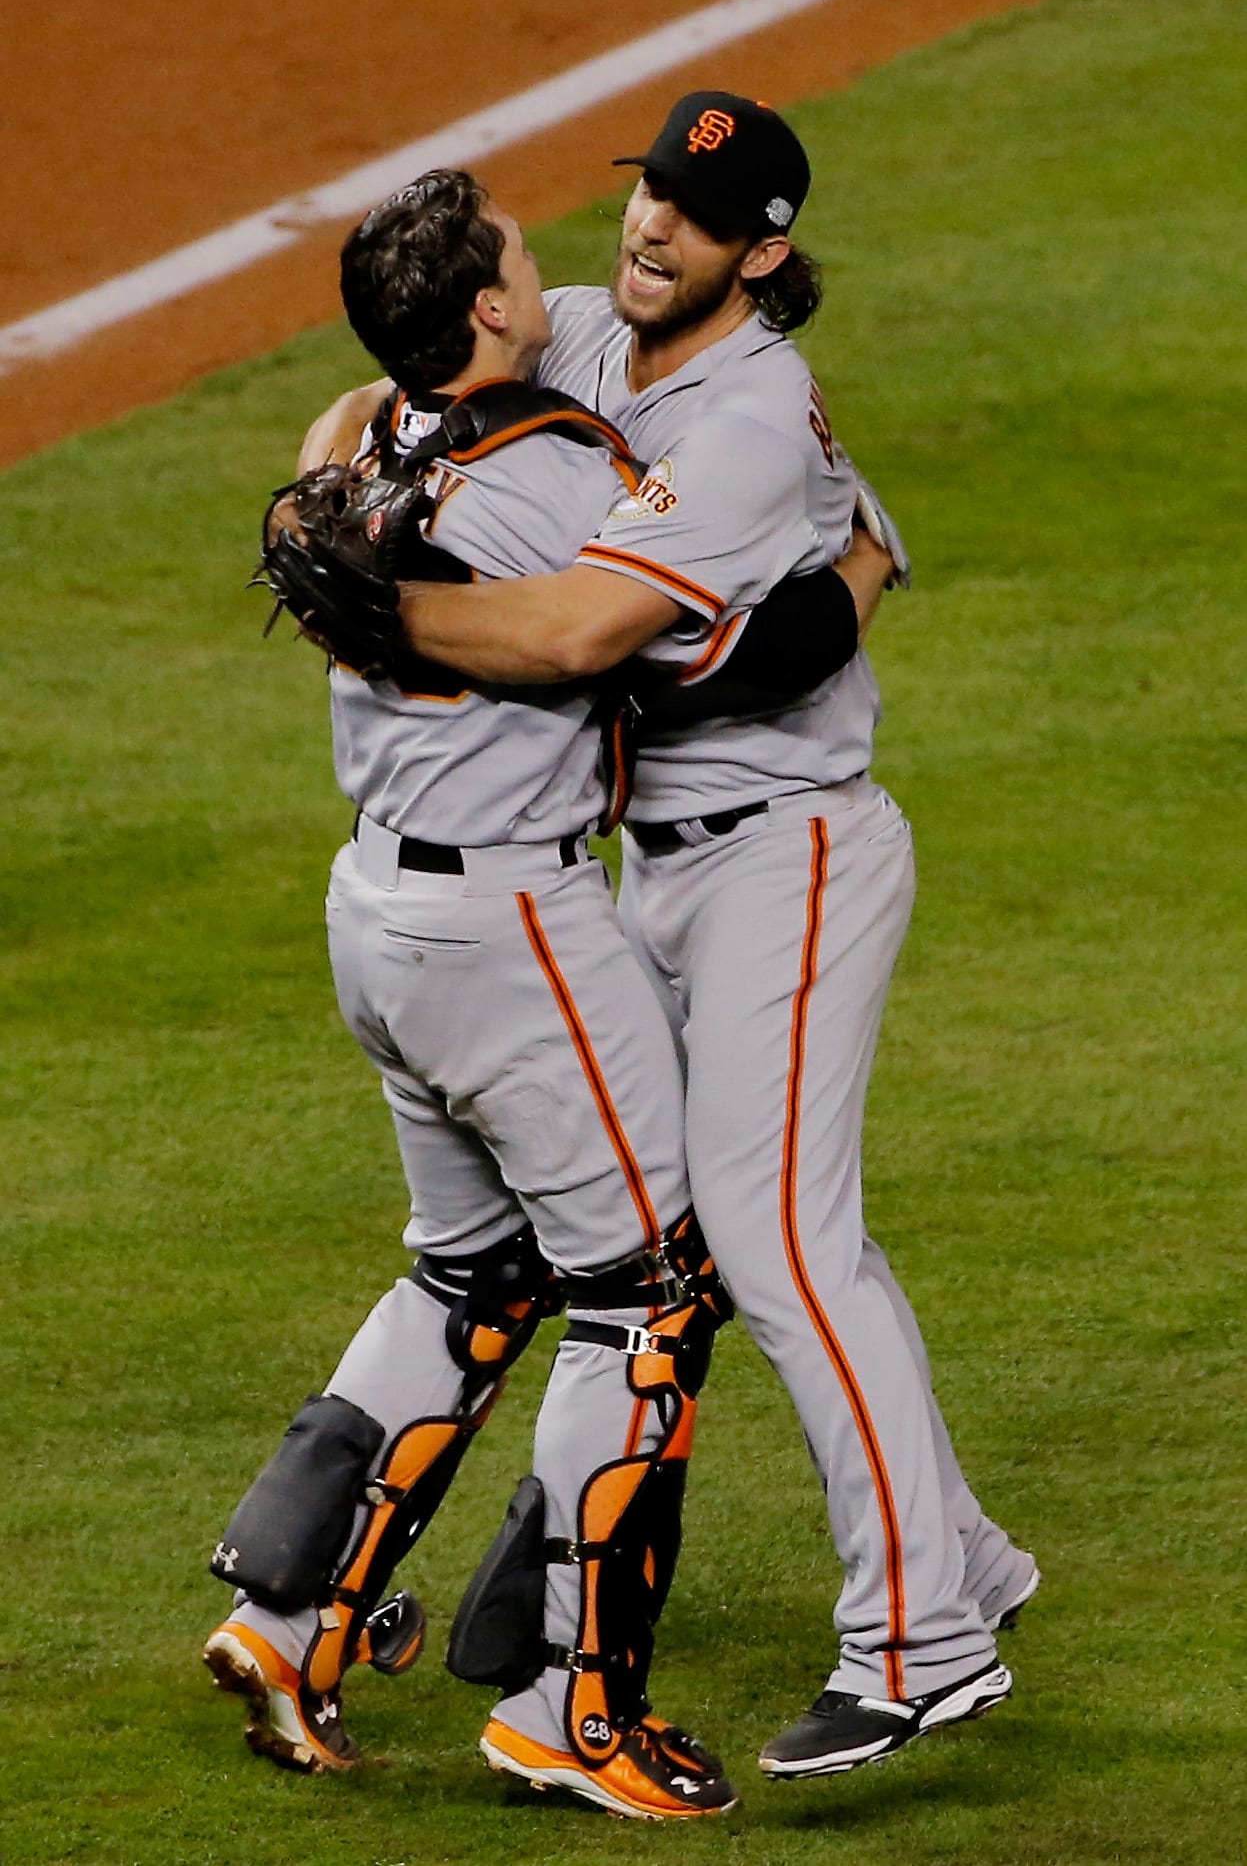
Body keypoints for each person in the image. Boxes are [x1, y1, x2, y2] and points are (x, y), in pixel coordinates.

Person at [365, 94, 1040, 1784]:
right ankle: (965, 1555)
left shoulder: (743, 421)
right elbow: (408, 394)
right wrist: (335, 466)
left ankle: (922, 1642)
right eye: (652, 188)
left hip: (784, 859)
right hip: (645, 875)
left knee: (777, 1239)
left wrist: (381, 598)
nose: (654, 224)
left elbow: (592, 626)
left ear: (767, 249)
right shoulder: (594, 337)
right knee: (672, 1225)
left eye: (700, 207)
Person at [204, 168, 884, 1819]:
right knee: (648, 1289)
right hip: (510, 929)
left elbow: (347, 407)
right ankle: (576, 1707)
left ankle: (288, 1616)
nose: (557, 262)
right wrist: (859, 572)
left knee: (470, 1264)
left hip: (374, 905)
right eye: (522, 257)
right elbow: (638, 635)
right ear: (493, 315)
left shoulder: (359, 453)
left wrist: (314, 512)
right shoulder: (571, 467)